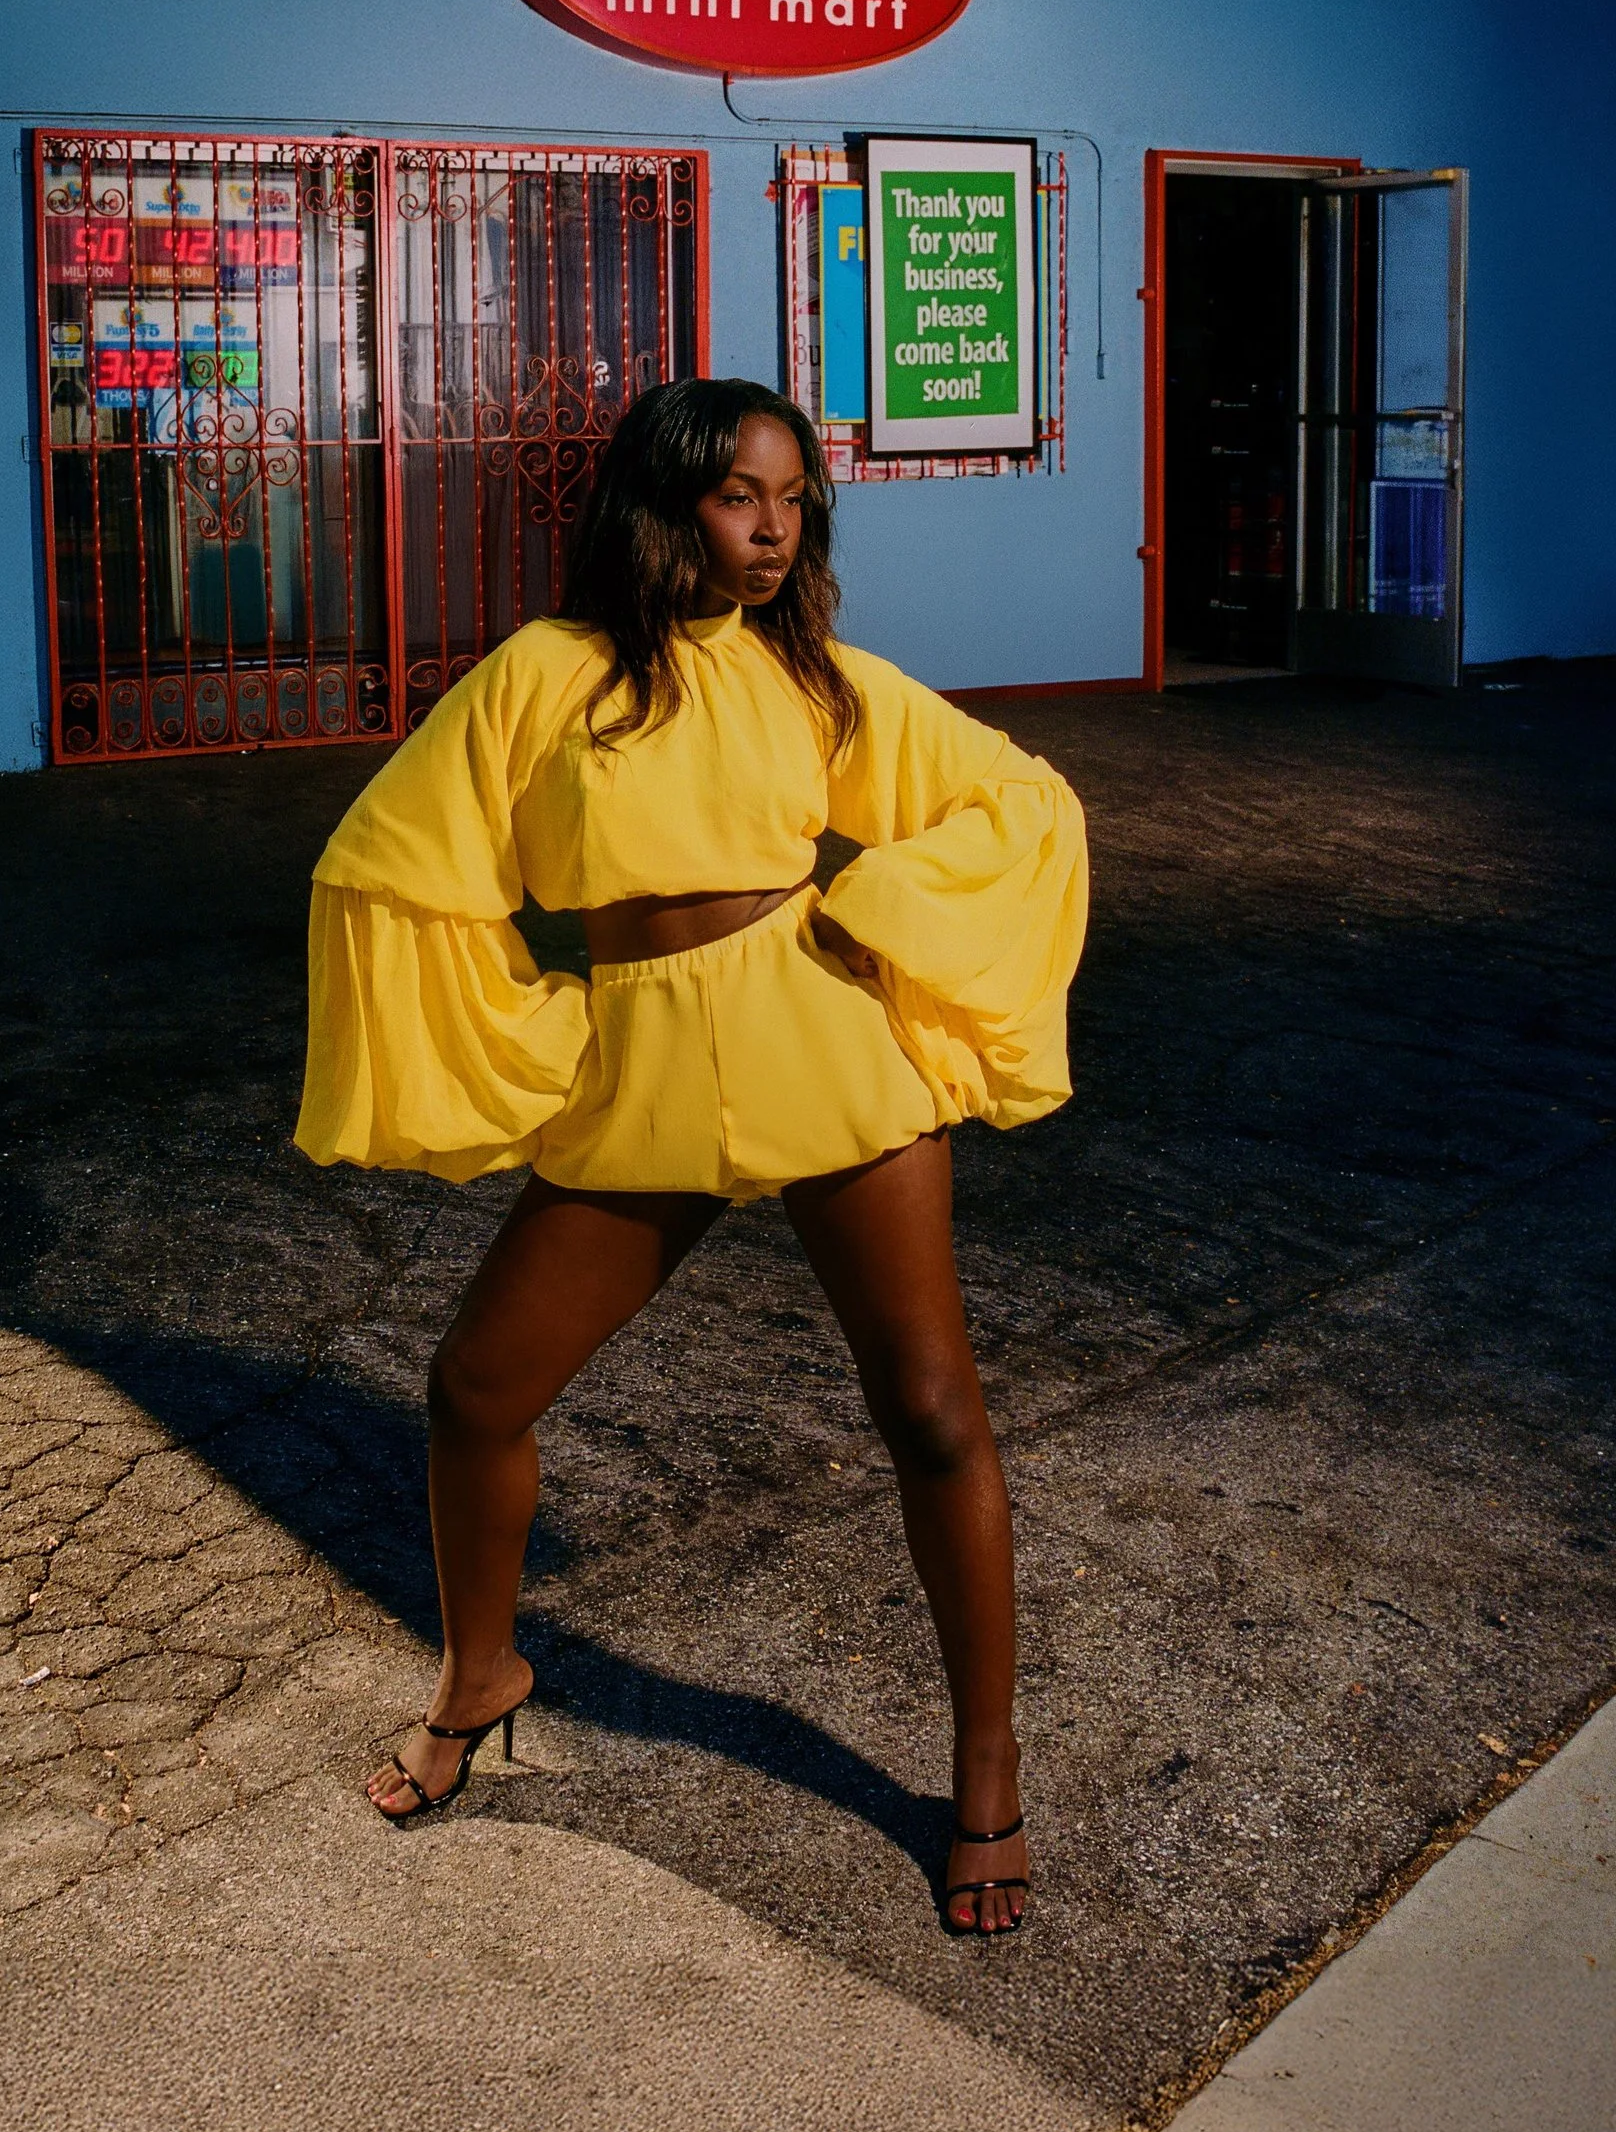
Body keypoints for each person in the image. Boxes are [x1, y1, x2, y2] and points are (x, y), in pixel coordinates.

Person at [295, 377, 1088, 1934]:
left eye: (795, 496)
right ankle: (482, 1672)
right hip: (645, 1059)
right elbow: (392, 860)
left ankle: (985, 1767)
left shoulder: (815, 680)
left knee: (930, 1403)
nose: (775, 523)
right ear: (666, 505)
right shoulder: (547, 674)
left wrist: (873, 918)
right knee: (476, 1385)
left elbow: (1016, 794)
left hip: (822, 1038)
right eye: (741, 493)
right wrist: (534, 1023)